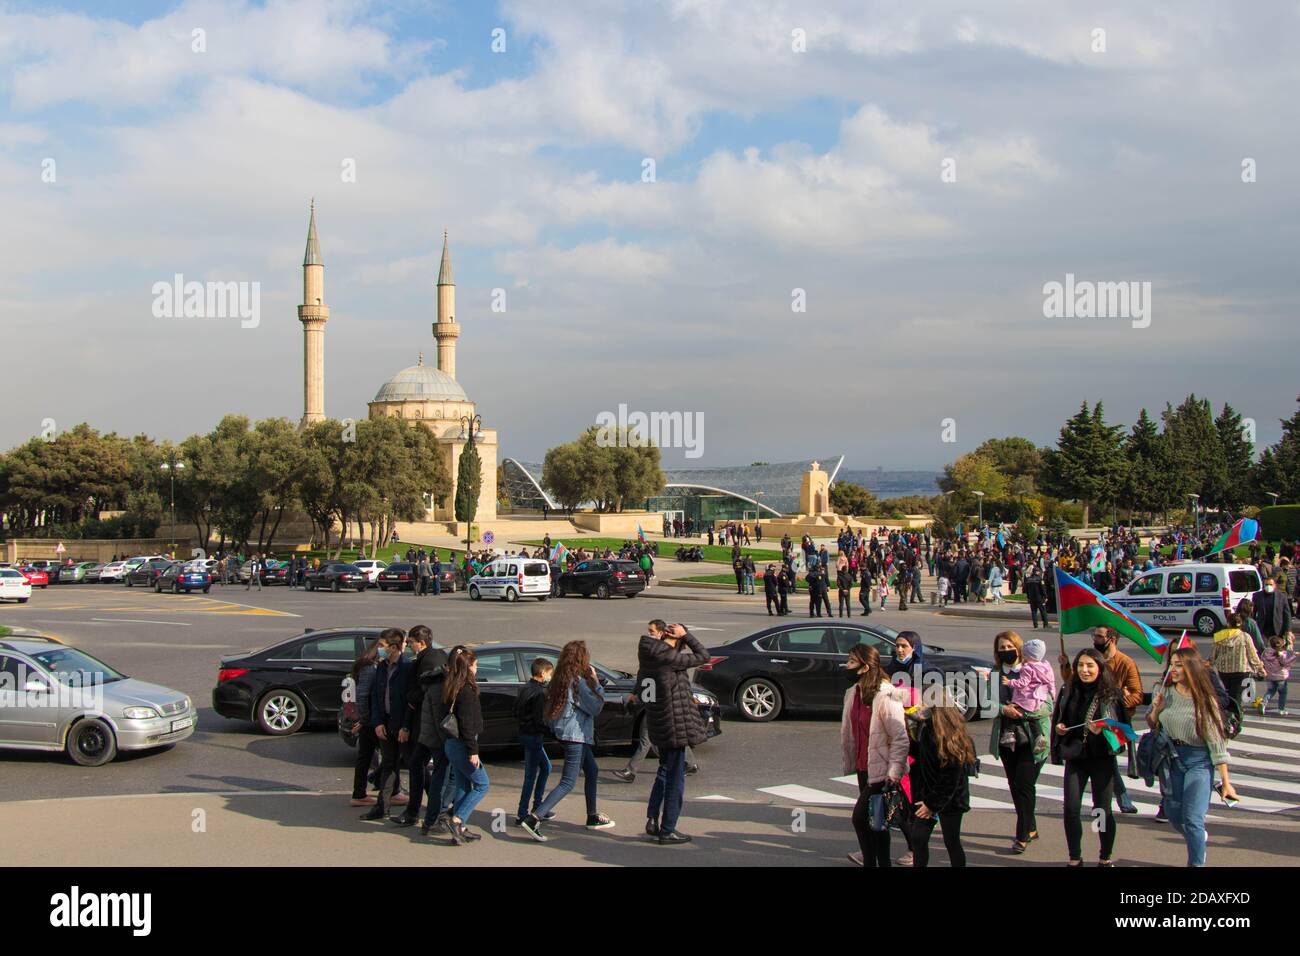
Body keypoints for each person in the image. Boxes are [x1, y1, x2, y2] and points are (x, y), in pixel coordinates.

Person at [1148, 648, 1237, 866]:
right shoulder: (1164, 692)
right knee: (1173, 813)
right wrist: (1156, 710)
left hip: (1199, 761)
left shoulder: (1205, 699)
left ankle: (1196, 862)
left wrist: (1226, 782)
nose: (1174, 669)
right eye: (1173, 664)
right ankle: (1196, 837)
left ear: (1191, 668)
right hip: (1172, 760)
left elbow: (1217, 742)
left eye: (1179, 664)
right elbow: (1153, 724)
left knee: (1193, 819)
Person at [520, 641, 613, 841]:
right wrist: (596, 683)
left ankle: (592, 815)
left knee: (592, 770)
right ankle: (534, 818)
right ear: (581, 660)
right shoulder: (576, 682)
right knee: (568, 782)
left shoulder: (559, 679)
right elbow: (595, 706)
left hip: (565, 733)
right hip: (575, 736)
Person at [637, 620, 710, 845]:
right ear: (676, 640)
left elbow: (642, 682)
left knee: (664, 770)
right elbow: (703, 655)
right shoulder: (670, 658)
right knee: (676, 780)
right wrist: (687, 635)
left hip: (659, 722)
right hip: (674, 724)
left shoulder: (648, 654)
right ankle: (668, 829)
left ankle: (652, 818)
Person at [1051, 648, 1124, 866]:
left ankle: (1104, 856)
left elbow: (1121, 732)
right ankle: (1075, 857)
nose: (1084, 670)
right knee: (1071, 808)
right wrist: (1061, 728)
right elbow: (1060, 718)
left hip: (1102, 757)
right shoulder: (1068, 690)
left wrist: (1103, 730)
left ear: (1100, 668)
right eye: (1080, 665)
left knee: (1100, 810)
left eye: (1090, 666)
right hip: (1076, 757)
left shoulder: (1111, 694)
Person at [1060, 627, 1142, 815]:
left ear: (1111, 639)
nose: (1095, 639)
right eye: (1094, 635)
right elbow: (1073, 685)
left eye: (1099, 636)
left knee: (1107, 764)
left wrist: (1113, 703)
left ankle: (1118, 805)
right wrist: (1065, 666)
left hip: (1112, 725)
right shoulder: (1090, 659)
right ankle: (1122, 800)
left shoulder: (1125, 662)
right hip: (1085, 736)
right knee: (1073, 806)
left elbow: (1137, 694)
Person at [843, 644, 909, 867]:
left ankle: (872, 862)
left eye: (852, 661)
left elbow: (900, 737)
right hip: (864, 767)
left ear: (865, 666)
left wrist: (894, 772)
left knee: (859, 819)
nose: (847, 665)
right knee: (876, 822)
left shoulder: (885, 694)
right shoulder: (854, 693)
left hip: (883, 772)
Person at [991, 631, 1050, 854]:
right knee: (1015, 785)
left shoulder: (1034, 669)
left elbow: (1049, 705)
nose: (1006, 651)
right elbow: (988, 703)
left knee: (1024, 784)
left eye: (1009, 646)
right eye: (1001, 647)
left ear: (1019, 647)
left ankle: (1022, 834)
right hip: (1007, 738)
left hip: (1034, 738)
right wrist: (1003, 709)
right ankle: (1031, 826)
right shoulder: (996, 673)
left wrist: (1024, 712)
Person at [391, 626, 447, 828]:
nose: (408, 645)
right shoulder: (434, 656)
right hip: (426, 723)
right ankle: (430, 809)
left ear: (421, 643)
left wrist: (411, 701)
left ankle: (425, 812)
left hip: (427, 724)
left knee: (421, 766)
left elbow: (420, 694)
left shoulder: (428, 661)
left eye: (411, 642)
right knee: (419, 765)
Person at [909, 697, 974, 867]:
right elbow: (923, 755)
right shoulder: (927, 727)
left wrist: (931, 805)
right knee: (918, 838)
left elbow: (950, 777)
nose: (919, 707)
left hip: (950, 799)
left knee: (951, 841)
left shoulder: (951, 735)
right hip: (928, 794)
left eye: (923, 703)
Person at [438, 647, 489, 845]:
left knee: (463, 785)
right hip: (462, 745)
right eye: (475, 665)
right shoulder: (467, 691)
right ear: (468, 667)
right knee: (482, 784)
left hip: (452, 744)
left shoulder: (452, 686)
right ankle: (456, 820)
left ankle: (460, 828)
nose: (477, 668)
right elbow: (467, 725)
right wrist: (473, 751)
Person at [361, 629, 412, 822]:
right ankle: (382, 807)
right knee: (388, 764)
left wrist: (405, 726)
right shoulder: (381, 667)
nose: (379, 649)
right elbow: (376, 696)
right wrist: (378, 722)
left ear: (394, 647)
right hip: (386, 724)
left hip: (402, 727)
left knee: (415, 766)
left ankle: (432, 806)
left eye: (382, 646)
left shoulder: (407, 668)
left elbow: (410, 701)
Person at [514, 657, 554, 826]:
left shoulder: (524, 688)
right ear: (543, 673)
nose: (550, 677)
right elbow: (539, 720)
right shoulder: (539, 693)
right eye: (549, 673)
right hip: (533, 736)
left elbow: (515, 710)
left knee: (545, 768)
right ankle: (524, 812)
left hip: (525, 734)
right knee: (531, 776)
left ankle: (538, 806)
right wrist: (551, 732)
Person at [1211, 610, 1266, 705]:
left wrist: (1209, 664)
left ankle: (1228, 715)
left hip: (1223, 671)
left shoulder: (1219, 636)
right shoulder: (1245, 637)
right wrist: (1260, 669)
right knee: (1236, 697)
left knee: (1227, 694)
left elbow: (1213, 655)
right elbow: (1253, 656)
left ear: (1228, 624)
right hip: (1241, 670)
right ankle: (1236, 715)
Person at [1259, 634, 1296, 716]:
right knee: (1283, 693)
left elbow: (1262, 660)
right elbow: (1285, 663)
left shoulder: (1266, 652)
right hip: (1281, 676)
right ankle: (1281, 709)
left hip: (1269, 676)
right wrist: (1294, 656)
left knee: (1271, 691)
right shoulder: (1281, 654)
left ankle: (1263, 702)